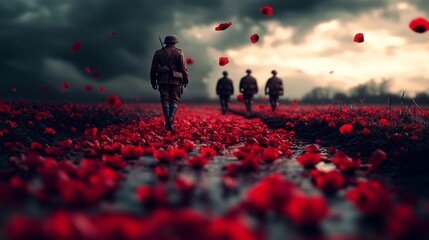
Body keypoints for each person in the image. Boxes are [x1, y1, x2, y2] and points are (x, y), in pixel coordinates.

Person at [150, 35, 189, 132]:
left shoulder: (158, 53)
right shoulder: (179, 53)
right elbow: (184, 69)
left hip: (162, 80)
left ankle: (168, 121)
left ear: (166, 42)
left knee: (165, 100)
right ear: (175, 43)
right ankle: (170, 120)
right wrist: (186, 80)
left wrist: (153, 81)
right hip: (176, 81)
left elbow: (153, 69)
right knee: (175, 100)